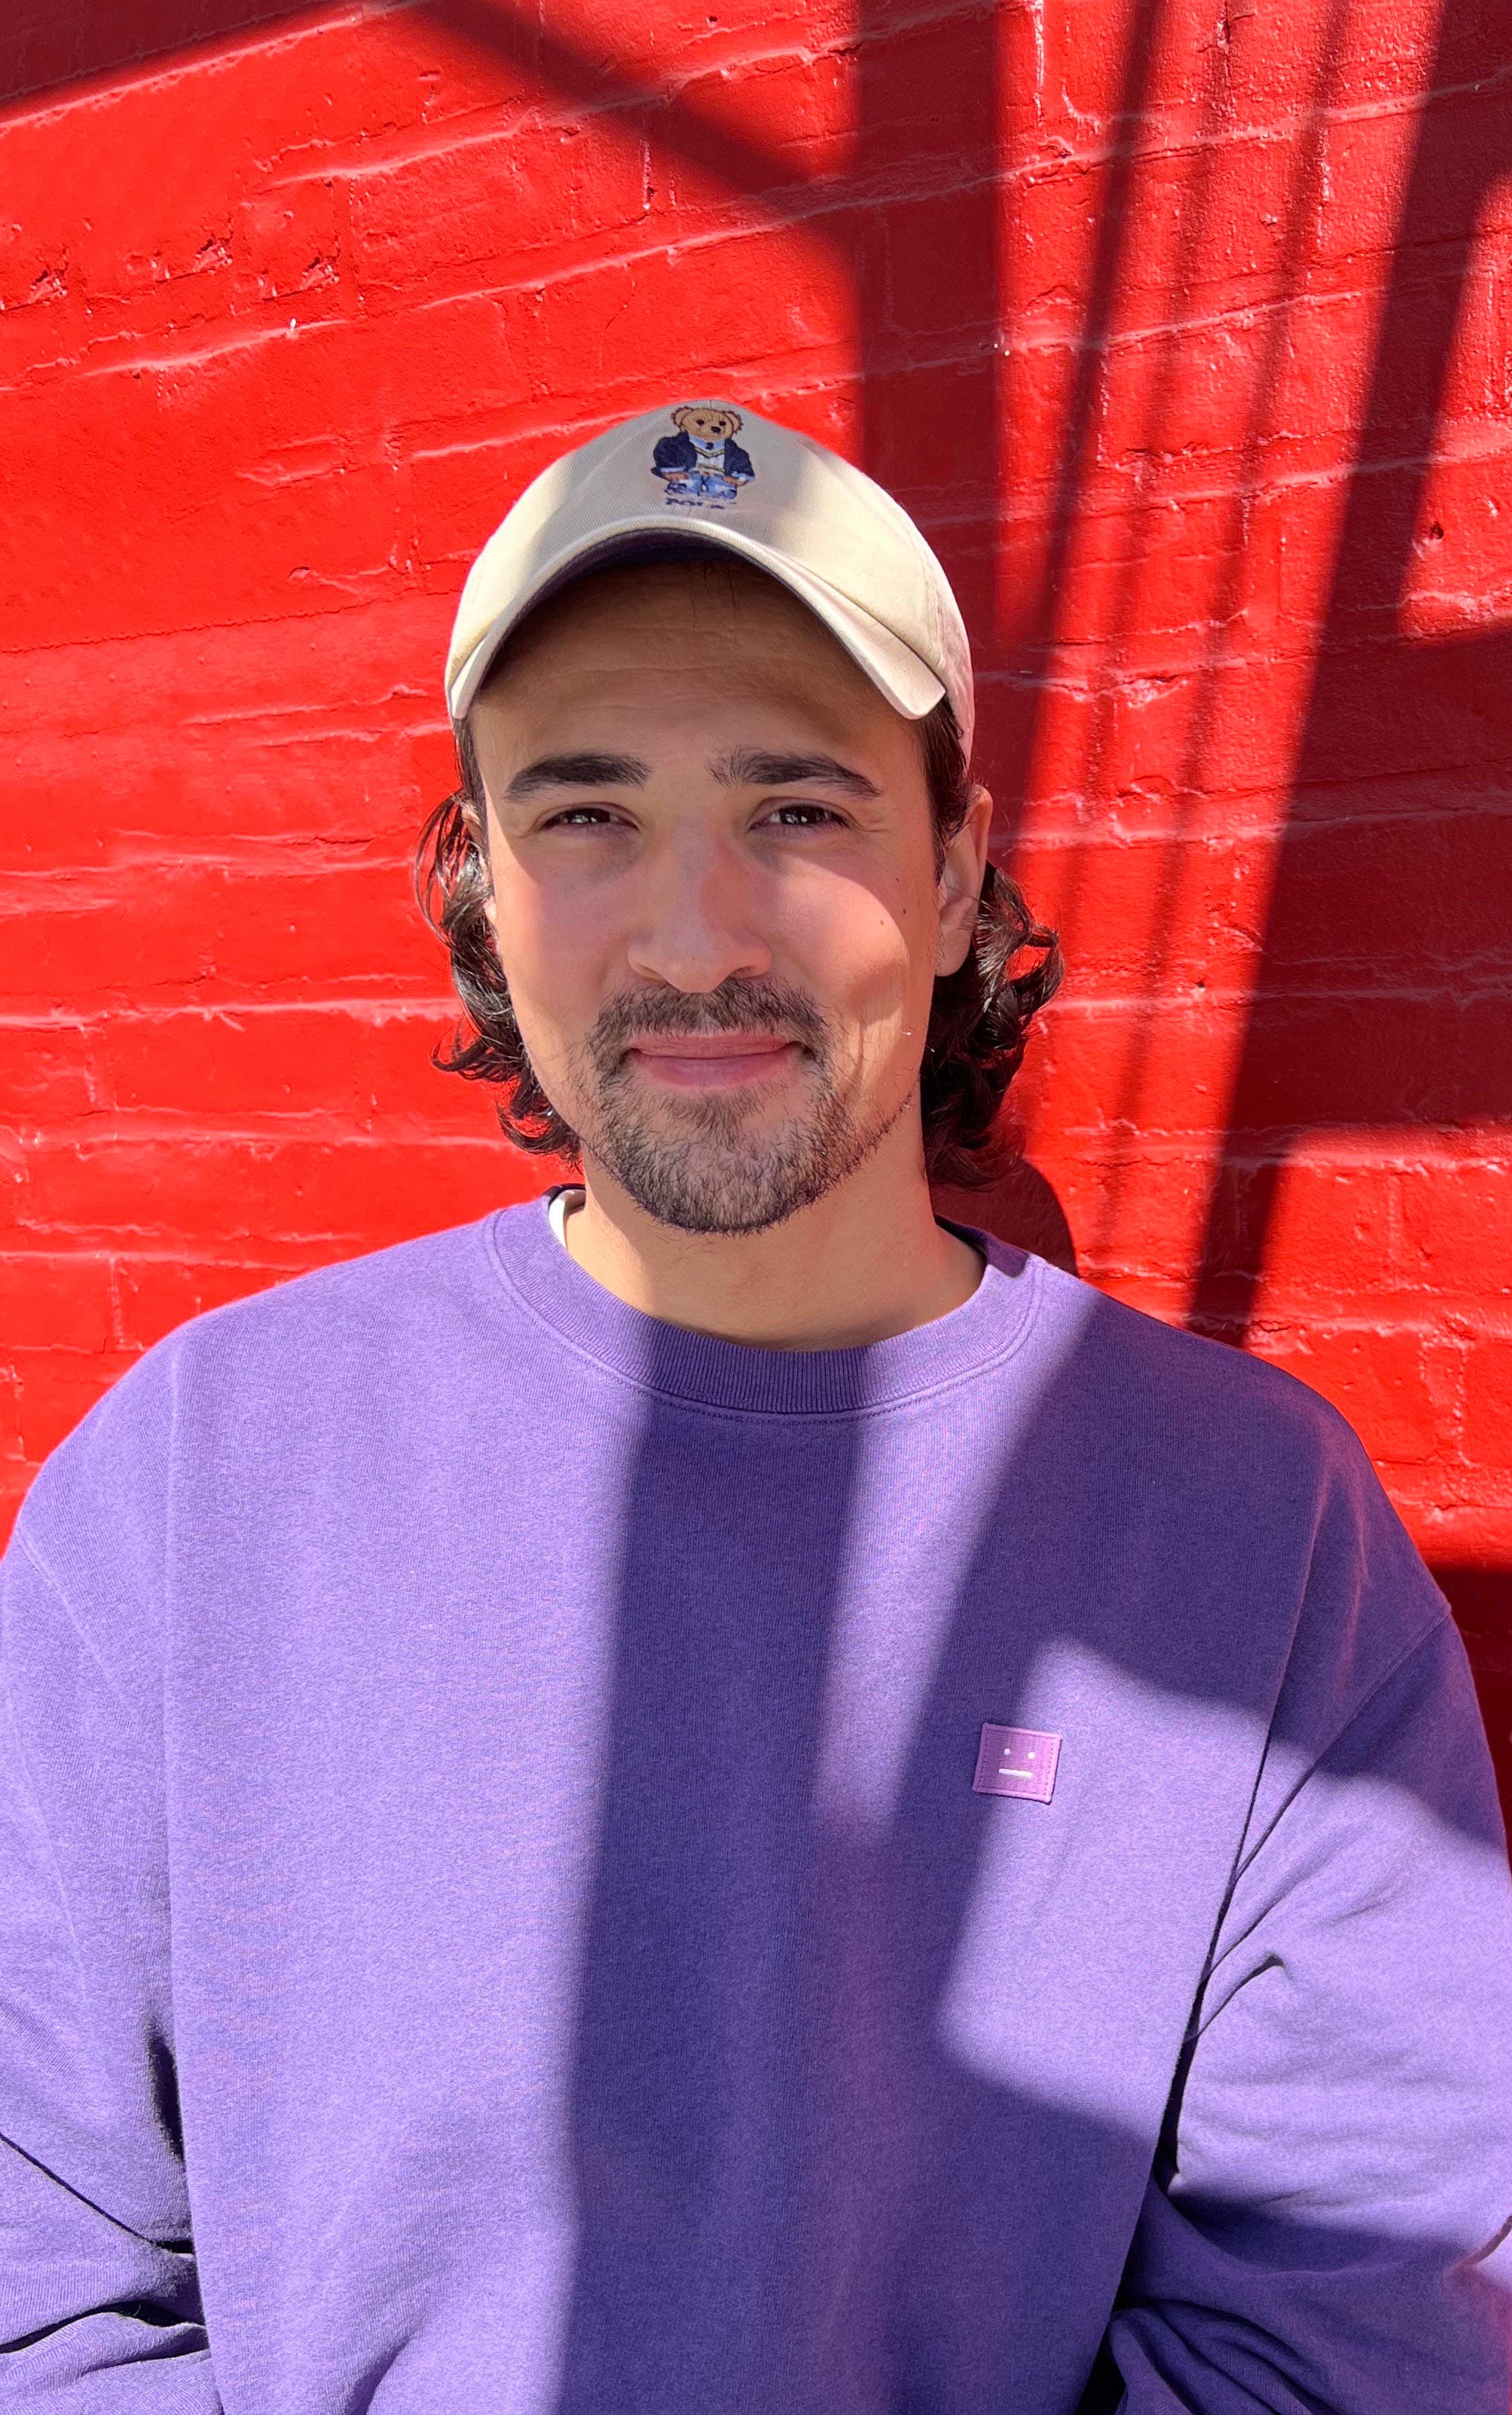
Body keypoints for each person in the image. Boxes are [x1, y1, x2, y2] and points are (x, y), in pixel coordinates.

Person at [1, 399, 1508, 2415]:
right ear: (480, 885)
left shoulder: (1250, 1525)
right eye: (586, 814)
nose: (697, 934)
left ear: (956, 875)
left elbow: (1356, 2336)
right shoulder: (197, 1482)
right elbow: (40, 2290)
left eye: (797, 809)